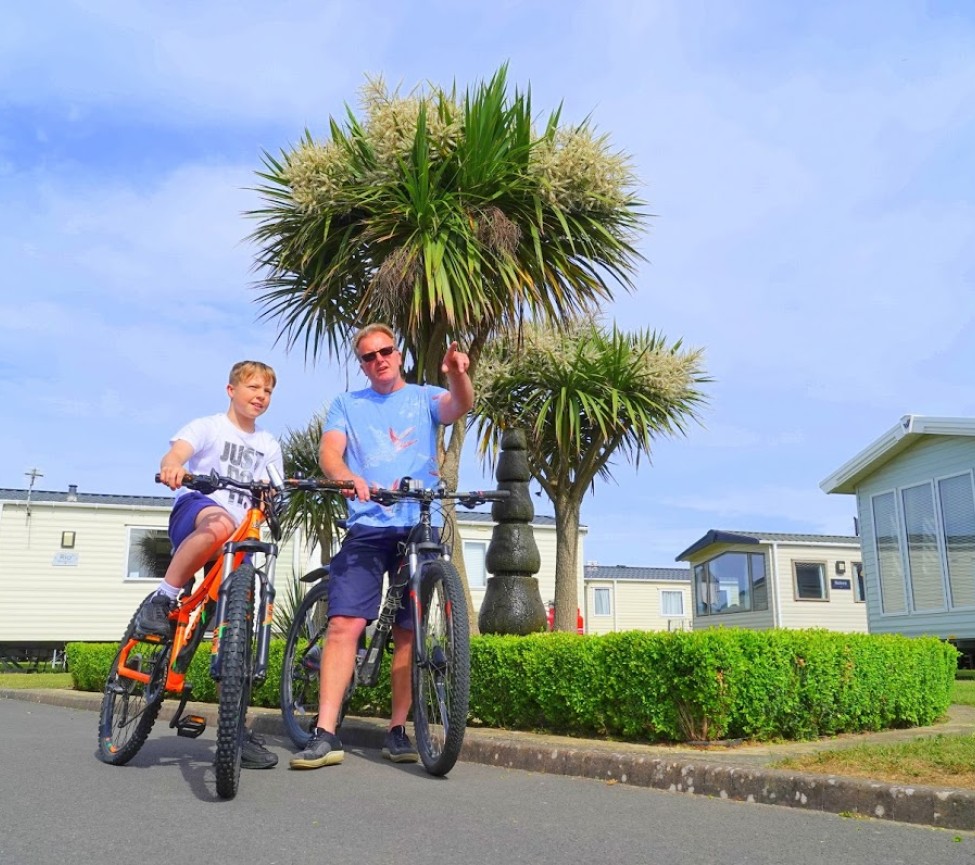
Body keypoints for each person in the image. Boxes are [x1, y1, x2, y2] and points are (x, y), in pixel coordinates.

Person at [289, 324, 473, 770]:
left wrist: (457, 374)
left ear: (398, 352)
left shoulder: (426, 397)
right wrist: (345, 477)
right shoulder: (348, 405)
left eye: (385, 351)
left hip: (418, 524)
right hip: (369, 523)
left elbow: (459, 404)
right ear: (362, 365)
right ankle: (325, 733)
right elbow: (330, 452)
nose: (379, 360)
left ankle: (397, 730)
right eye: (369, 357)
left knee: (409, 630)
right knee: (345, 624)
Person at [135, 359, 284, 770]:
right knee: (219, 524)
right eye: (252, 387)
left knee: (239, 628)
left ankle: (235, 727)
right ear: (231, 390)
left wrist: (275, 499)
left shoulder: (268, 444)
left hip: (240, 538)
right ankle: (162, 598)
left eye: (268, 391)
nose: (260, 396)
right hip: (199, 511)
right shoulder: (209, 427)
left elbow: (273, 489)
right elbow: (179, 450)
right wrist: (174, 465)